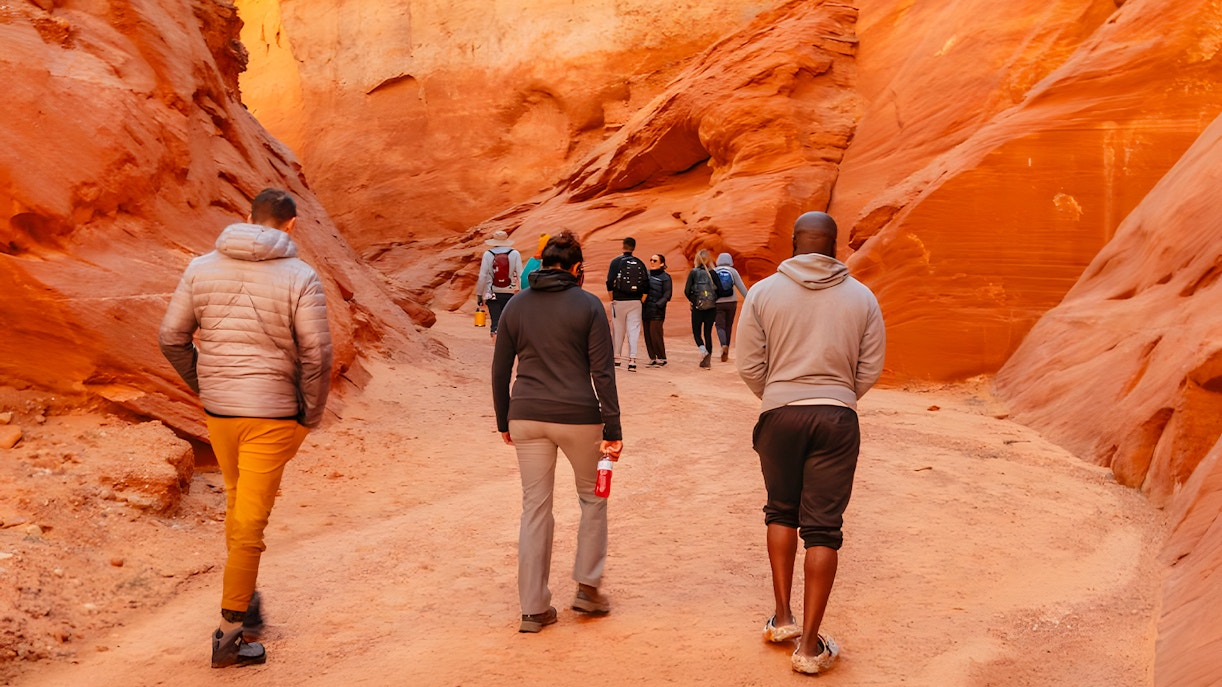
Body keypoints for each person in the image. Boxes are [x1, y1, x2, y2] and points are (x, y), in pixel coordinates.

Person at [159, 188, 333, 669]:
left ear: (248, 218)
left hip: (221, 413)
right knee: (251, 523)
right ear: (291, 225)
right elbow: (317, 354)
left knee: (240, 505)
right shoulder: (301, 276)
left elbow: (171, 338)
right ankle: (233, 631)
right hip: (273, 416)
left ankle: (246, 594)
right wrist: (310, 416)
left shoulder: (200, 267)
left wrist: (205, 384)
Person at [735, 211, 885, 676]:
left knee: (780, 509)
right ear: (835, 246)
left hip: (778, 413)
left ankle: (782, 617)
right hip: (837, 415)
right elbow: (870, 365)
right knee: (823, 528)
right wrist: (839, 396)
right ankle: (808, 648)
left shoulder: (761, 293)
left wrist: (778, 396)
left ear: (795, 242)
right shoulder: (862, 296)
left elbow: (749, 363)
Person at [492, 231, 623, 633]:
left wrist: (503, 420)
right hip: (579, 416)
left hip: (527, 414)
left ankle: (533, 609)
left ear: (543, 264)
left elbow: (500, 369)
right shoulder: (588, 305)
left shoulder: (516, 305)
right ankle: (586, 588)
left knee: (535, 507)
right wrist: (613, 427)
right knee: (593, 499)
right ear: (576, 268)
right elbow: (602, 370)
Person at [605, 237, 649, 371]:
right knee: (633, 330)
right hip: (636, 301)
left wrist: (612, 298)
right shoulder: (640, 263)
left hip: (619, 300)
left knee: (618, 329)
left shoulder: (616, 262)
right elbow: (646, 285)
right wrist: (640, 300)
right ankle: (632, 360)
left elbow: (609, 281)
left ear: (623, 246)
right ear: (634, 248)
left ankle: (617, 358)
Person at [475, 229, 523, 338]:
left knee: (495, 323)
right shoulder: (514, 253)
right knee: (508, 322)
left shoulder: (488, 254)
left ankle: (495, 344)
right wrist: (522, 292)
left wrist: (479, 294)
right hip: (510, 292)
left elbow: (482, 276)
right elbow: (520, 274)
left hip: (492, 293)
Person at [683, 248, 719, 369]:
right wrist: (713, 300)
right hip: (712, 308)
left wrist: (695, 301)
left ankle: (704, 352)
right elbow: (720, 290)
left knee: (697, 333)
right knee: (707, 333)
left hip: (697, 308)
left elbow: (687, 291)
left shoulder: (693, 272)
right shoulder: (713, 273)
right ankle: (708, 362)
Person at [713, 252, 749, 362]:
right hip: (732, 301)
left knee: (720, 326)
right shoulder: (733, 271)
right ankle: (727, 349)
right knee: (728, 325)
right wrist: (749, 299)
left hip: (717, 302)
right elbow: (741, 286)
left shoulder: (713, 271)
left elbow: (709, 287)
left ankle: (723, 345)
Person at [643, 254, 673, 367]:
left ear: (661, 263)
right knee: (647, 334)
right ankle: (652, 357)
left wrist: (659, 304)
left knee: (655, 333)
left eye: (654, 260)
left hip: (657, 310)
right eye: (650, 260)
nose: (651, 262)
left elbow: (667, 294)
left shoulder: (666, 277)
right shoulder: (646, 274)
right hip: (645, 309)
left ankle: (661, 357)